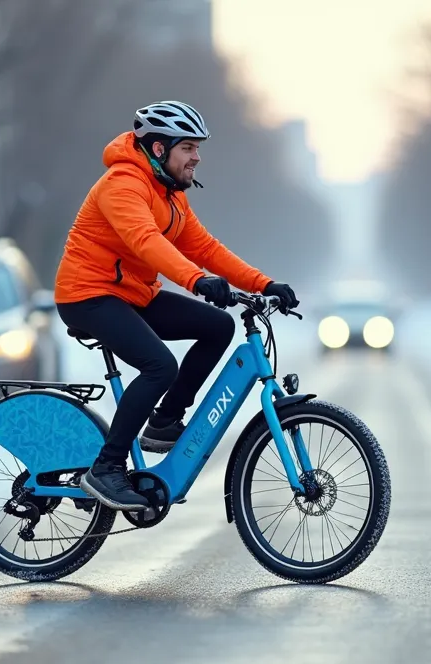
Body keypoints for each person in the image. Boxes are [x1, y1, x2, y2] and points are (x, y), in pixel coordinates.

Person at [53, 100, 298, 511]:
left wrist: (264, 283)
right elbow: (145, 241)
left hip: (130, 294)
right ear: (158, 148)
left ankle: (165, 421)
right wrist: (196, 280)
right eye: (188, 147)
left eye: (197, 148)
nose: (197, 157)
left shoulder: (170, 195)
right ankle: (106, 467)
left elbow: (205, 247)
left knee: (219, 326)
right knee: (159, 365)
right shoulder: (123, 184)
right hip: (87, 295)